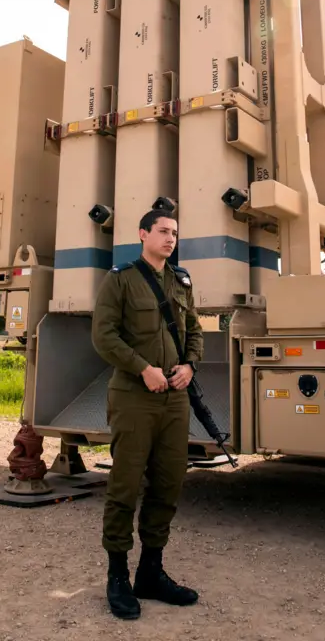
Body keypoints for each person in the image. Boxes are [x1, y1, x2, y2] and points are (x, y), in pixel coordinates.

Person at [91, 209, 204, 620]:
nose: (170, 238)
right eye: (162, 231)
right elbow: (103, 335)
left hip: (175, 398)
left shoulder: (181, 281)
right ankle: (118, 576)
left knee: (169, 483)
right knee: (124, 485)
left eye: (174, 232)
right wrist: (143, 368)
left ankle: (151, 572)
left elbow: (194, 330)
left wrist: (189, 365)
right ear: (143, 234)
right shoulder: (119, 279)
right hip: (134, 396)